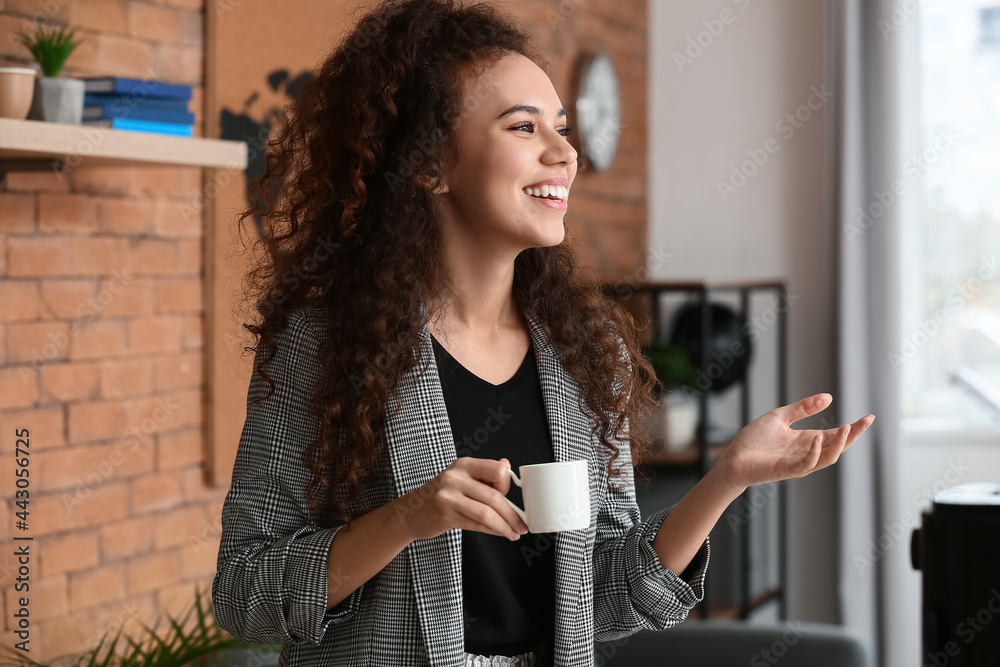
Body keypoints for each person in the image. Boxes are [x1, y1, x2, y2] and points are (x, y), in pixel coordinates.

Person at [211, 1, 876, 665]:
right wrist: (406, 518)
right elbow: (245, 594)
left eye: (561, 127)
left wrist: (726, 476)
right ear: (430, 163)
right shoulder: (325, 342)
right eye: (523, 127)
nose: (565, 153)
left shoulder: (588, 352)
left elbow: (608, 599)